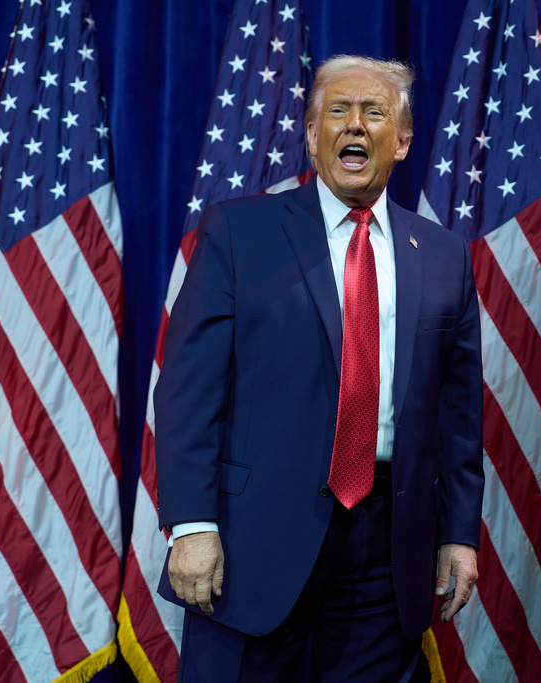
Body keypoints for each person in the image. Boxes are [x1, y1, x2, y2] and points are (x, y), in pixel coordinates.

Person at [153, 54, 484, 682]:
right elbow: (188, 395)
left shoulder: (443, 256)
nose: (354, 125)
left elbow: (459, 417)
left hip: (388, 546)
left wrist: (458, 534)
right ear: (311, 135)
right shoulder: (238, 233)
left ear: (403, 141)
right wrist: (190, 526)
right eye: (337, 110)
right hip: (252, 543)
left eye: (374, 112)